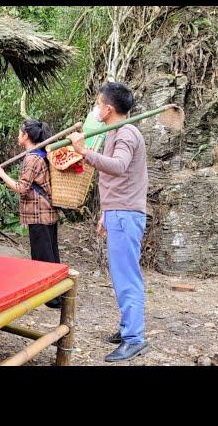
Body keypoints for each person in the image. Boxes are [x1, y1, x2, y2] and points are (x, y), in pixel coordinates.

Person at [68, 81, 149, 362]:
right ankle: (128, 327)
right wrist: (105, 212)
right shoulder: (117, 131)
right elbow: (120, 181)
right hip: (119, 212)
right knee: (121, 275)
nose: (95, 109)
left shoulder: (126, 133)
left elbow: (118, 167)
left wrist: (83, 153)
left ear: (108, 108)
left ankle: (134, 338)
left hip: (126, 215)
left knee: (127, 277)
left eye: (98, 104)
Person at [0, 119, 62, 309]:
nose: (17, 136)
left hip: (39, 213)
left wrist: (1, 173)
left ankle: (53, 298)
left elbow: (22, 188)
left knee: (43, 257)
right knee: (51, 254)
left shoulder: (32, 158)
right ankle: (56, 295)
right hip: (48, 212)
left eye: (19, 132)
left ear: (26, 135)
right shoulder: (40, 155)